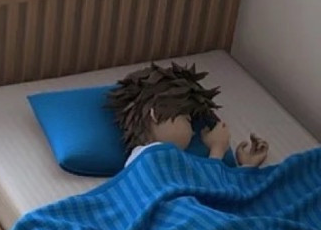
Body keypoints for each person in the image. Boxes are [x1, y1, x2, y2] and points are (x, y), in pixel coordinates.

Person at [105, 62, 269, 167]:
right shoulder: (151, 156)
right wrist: (217, 148)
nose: (192, 132)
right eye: (187, 120)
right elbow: (206, 189)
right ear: (156, 114)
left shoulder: (155, 158)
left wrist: (246, 168)